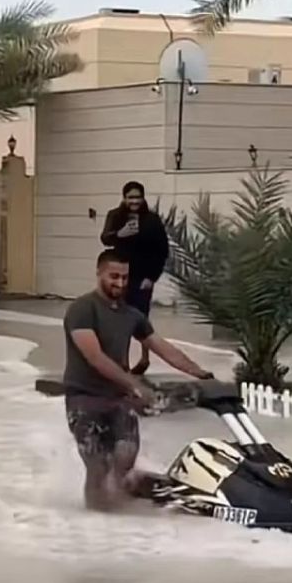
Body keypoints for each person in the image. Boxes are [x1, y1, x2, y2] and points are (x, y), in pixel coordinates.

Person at [62, 248, 213, 512]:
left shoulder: (131, 315)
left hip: (118, 399)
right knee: (97, 465)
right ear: (99, 273)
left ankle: (122, 508)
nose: (120, 283)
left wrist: (200, 373)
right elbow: (95, 357)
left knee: (125, 455)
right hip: (84, 399)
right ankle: (95, 520)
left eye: (124, 277)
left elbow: (162, 347)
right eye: (113, 276)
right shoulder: (82, 310)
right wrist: (134, 384)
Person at [100, 180, 169, 375]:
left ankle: (145, 358)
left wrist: (152, 277)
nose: (134, 201)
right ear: (124, 198)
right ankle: (123, 361)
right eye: (130, 197)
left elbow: (162, 250)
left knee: (141, 318)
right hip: (120, 276)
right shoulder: (115, 216)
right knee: (121, 318)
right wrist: (120, 233)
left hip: (143, 277)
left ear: (143, 198)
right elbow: (105, 238)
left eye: (138, 197)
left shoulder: (152, 220)